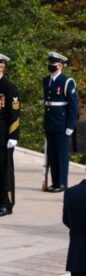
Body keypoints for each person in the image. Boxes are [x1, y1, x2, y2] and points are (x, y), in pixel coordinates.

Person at [43, 51, 78, 192]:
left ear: (60, 65)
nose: (51, 65)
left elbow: (73, 106)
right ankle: (55, 182)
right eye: (50, 63)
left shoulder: (67, 82)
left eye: (54, 63)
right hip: (50, 122)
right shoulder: (46, 80)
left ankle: (62, 183)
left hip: (62, 123)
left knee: (61, 155)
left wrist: (70, 125)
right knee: (52, 154)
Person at [0, 54, 20, 217]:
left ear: (2, 67)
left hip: (3, 137)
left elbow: (14, 114)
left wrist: (13, 136)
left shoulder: (9, 87)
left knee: (5, 171)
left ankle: (6, 203)